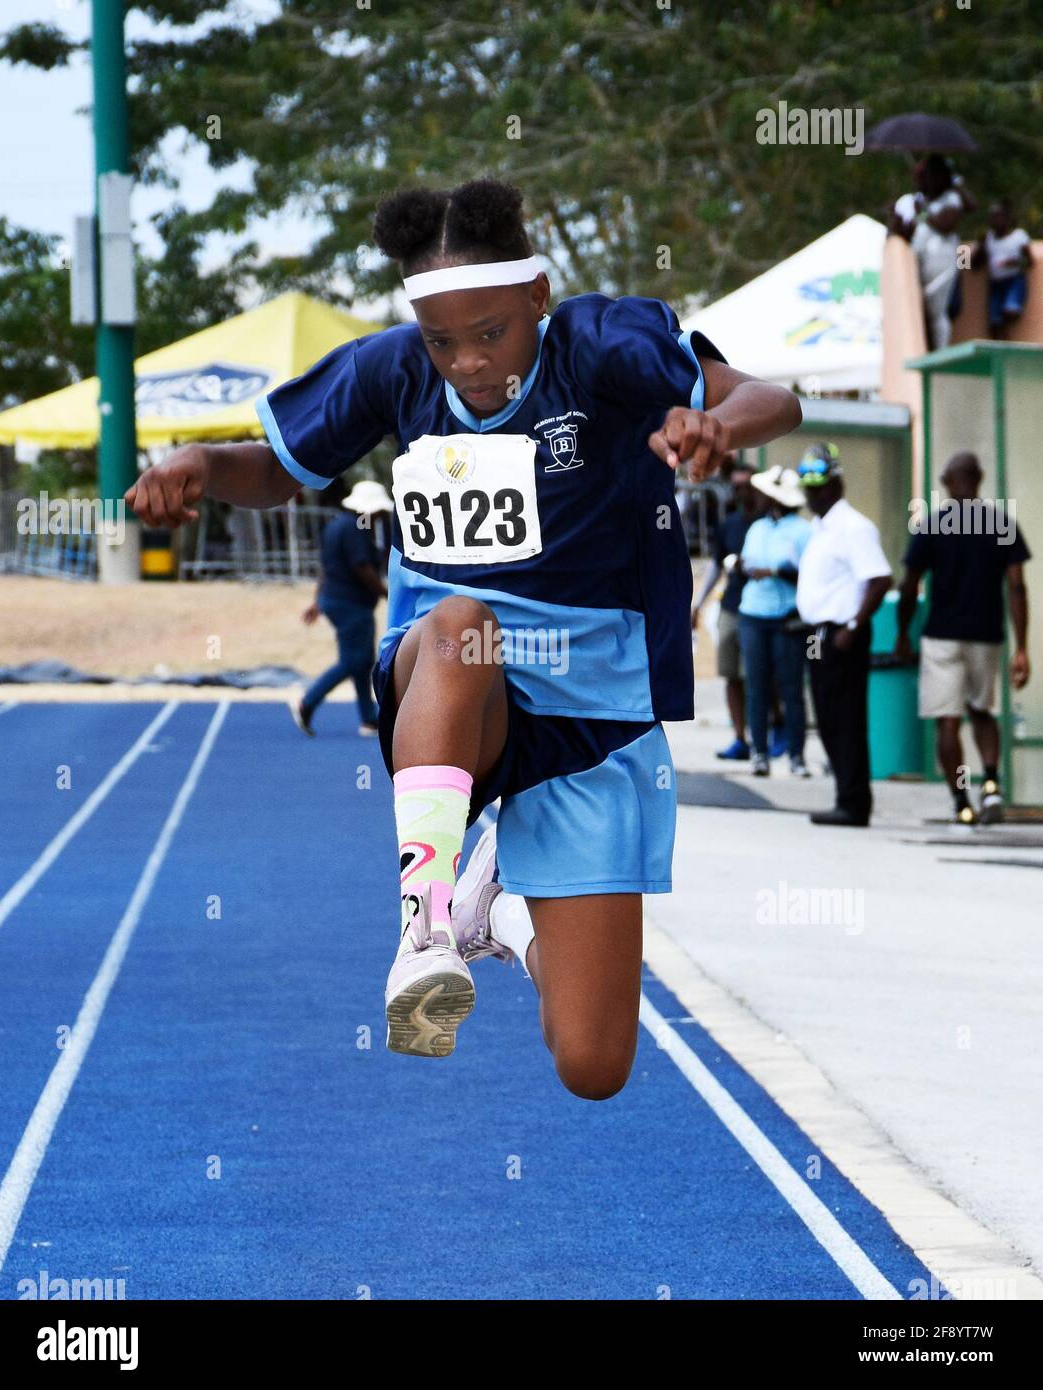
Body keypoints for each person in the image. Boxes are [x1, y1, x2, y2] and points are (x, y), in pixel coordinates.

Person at [123, 177, 801, 1100]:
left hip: (594, 708)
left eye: (492, 334)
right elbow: (280, 471)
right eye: (445, 340)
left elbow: (773, 398)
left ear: (538, 297)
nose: (470, 363)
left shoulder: (602, 346)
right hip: (457, 683)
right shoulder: (393, 370)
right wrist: (199, 463)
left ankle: (499, 910)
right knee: (460, 627)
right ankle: (427, 926)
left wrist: (714, 423)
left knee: (594, 1064)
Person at [896, 451, 1031, 826]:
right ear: (980, 478)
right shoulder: (1001, 524)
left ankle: (961, 800)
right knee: (982, 711)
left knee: (947, 720)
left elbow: (909, 587)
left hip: (941, 635)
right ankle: (991, 785)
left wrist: (903, 633)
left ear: (946, 482)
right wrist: (1022, 647)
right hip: (986, 634)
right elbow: (1016, 588)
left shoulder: (931, 526)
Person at [795, 445, 891, 828]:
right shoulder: (819, 529)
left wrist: (853, 627)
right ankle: (843, 796)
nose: (811, 495)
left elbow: (881, 579)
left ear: (837, 485)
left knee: (847, 718)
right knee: (828, 716)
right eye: (808, 488)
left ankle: (854, 803)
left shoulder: (854, 526)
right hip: (817, 635)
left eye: (819, 488)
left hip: (841, 634)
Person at [291, 478, 390, 738]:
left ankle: (369, 718)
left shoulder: (336, 525)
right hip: (351, 604)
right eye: (379, 510)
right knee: (353, 660)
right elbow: (361, 567)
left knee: (362, 660)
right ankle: (307, 702)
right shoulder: (357, 529)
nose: (381, 515)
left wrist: (317, 600)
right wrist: (386, 592)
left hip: (334, 600)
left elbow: (326, 567)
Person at [737, 465, 812, 778]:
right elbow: (744, 562)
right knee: (756, 687)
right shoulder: (757, 528)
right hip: (753, 613)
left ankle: (796, 755)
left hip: (786, 617)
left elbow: (809, 574)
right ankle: (759, 753)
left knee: (791, 688)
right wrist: (745, 568)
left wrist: (777, 572)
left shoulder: (803, 530)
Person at [691, 455, 762, 759]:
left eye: (747, 487)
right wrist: (698, 604)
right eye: (737, 487)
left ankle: (771, 732)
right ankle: (740, 737)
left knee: (759, 677)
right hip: (732, 605)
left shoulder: (765, 523)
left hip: (760, 610)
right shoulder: (729, 525)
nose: (741, 492)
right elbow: (716, 567)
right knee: (731, 673)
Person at [891, 155, 973, 351]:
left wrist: (956, 183)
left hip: (953, 257)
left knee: (943, 311)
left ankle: (940, 352)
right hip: (924, 260)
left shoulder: (951, 197)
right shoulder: (915, 200)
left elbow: (952, 221)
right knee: (924, 311)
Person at [971, 201, 1033, 335]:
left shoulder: (1018, 236)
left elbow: (1029, 261)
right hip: (995, 283)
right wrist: (980, 244)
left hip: (1014, 280)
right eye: (992, 217)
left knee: (1009, 311)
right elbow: (973, 264)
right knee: (994, 322)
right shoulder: (988, 238)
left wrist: (1015, 263)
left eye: (998, 216)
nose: (994, 220)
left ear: (1007, 218)